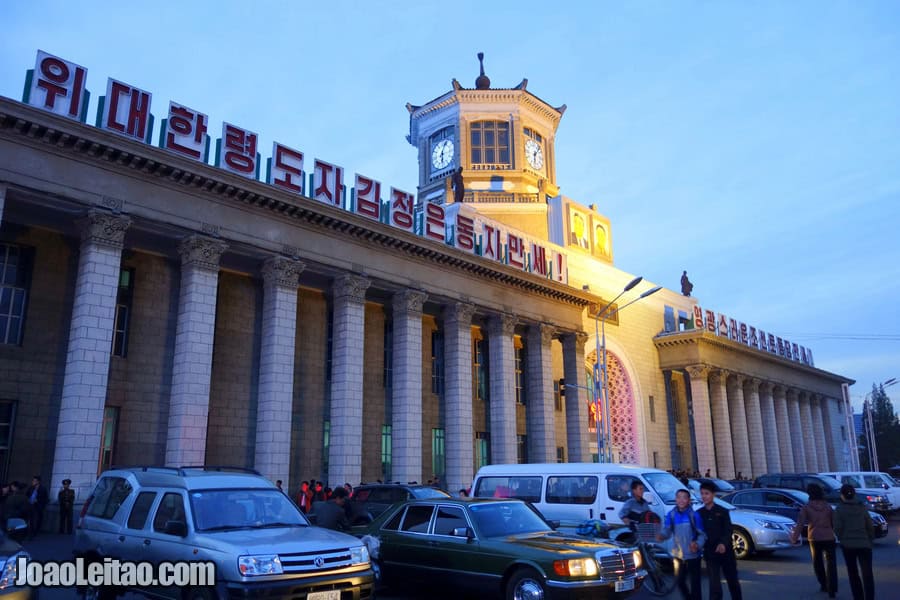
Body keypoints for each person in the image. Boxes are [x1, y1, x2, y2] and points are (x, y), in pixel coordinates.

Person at [658, 489, 706, 600]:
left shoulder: (694, 515)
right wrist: (661, 535)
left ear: (689, 500)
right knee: (680, 582)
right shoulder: (671, 515)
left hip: (693, 555)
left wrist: (697, 544)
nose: (681, 500)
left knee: (695, 584)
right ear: (676, 499)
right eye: (678, 497)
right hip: (678, 555)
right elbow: (667, 531)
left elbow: (702, 534)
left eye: (684, 497)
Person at [790, 484, 837, 598]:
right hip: (829, 536)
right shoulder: (828, 507)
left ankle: (823, 584)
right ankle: (832, 587)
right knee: (831, 563)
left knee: (818, 562)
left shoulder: (806, 508)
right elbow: (833, 522)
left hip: (814, 537)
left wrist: (794, 538)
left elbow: (800, 524)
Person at [698, 482, 743, 600]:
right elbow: (698, 532)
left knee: (732, 581)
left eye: (707, 493)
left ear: (713, 495)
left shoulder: (722, 511)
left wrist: (723, 543)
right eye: (702, 493)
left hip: (726, 552)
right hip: (710, 553)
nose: (704, 496)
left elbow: (728, 530)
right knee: (714, 585)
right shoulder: (699, 513)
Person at [834, 484, 875, 600]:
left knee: (853, 573)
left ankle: (858, 596)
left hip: (848, 545)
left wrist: (842, 539)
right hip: (864, 543)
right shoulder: (861, 507)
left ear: (842, 495)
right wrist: (870, 539)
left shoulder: (839, 509)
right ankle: (870, 597)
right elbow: (869, 525)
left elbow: (837, 528)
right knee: (867, 573)